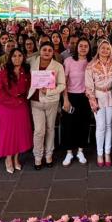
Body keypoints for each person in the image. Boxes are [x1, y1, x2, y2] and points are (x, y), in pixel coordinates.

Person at [0, 48, 33, 173]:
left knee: (19, 131)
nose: (17, 58)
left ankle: (16, 157)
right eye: (14, 56)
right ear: (10, 58)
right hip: (5, 106)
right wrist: (14, 101)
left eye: (19, 55)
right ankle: (8, 158)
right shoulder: (2, 72)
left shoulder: (26, 71)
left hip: (21, 104)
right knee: (8, 133)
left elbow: (29, 87)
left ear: (23, 57)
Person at [28, 41, 66, 169]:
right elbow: (16, 62)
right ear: (40, 50)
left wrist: (49, 91)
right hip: (35, 101)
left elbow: (62, 85)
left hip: (51, 101)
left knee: (50, 129)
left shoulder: (58, 66)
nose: (47, 52)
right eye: (44, 49)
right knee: (39, 131)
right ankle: (38, 156)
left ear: (53, 52)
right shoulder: (33, 62)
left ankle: (49, 154)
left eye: (50, 50)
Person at [85, 40, 112, 167]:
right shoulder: (91, 65)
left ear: (110, 50)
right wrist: (93, 101)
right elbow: (88, 86)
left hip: (110, 95)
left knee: (109, 125)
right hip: (97, 96)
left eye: (107, 48)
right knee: (100, 126)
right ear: (98, 49)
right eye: (102, 48)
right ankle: (99, 153)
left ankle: (107, 152)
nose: (105, 50)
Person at [62, 37, 92, 167]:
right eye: (81, 46)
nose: (83, 48)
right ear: (77, 47)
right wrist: (65, 99)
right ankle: (69, 152)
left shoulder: (91, 62)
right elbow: (63, 81)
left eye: (86, 46)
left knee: (83, 124)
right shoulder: (68, 61)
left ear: (89, 48)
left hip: (86, 97)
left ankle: (80, 150)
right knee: (68, 125)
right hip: (71, 96)